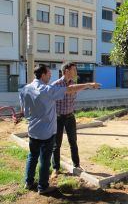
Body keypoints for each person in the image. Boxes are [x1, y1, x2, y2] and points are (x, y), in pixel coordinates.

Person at [20, 64, 99, 195]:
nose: (51, 75)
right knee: (45, 160)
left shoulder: (25, 89)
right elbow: (69, 90)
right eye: (49, 73)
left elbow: (23, 110)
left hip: (32, 130)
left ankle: (28, 182)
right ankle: (43, 187)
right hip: (46, 131)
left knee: (32, 156)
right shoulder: (47, 89)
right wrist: (88, 84)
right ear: (43, 74)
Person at [51, 62, 100, 177]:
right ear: (67, 71)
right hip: (58, 118)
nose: (76, 72)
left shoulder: (74, 83)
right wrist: (88, 84)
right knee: (56, 144)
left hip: (70, 117)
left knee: (73, 142)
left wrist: (89, 85)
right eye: (74, 70)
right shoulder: (56, 84)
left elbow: (73, 89)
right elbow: (69, 89)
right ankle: (56, 168)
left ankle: (76, 165)